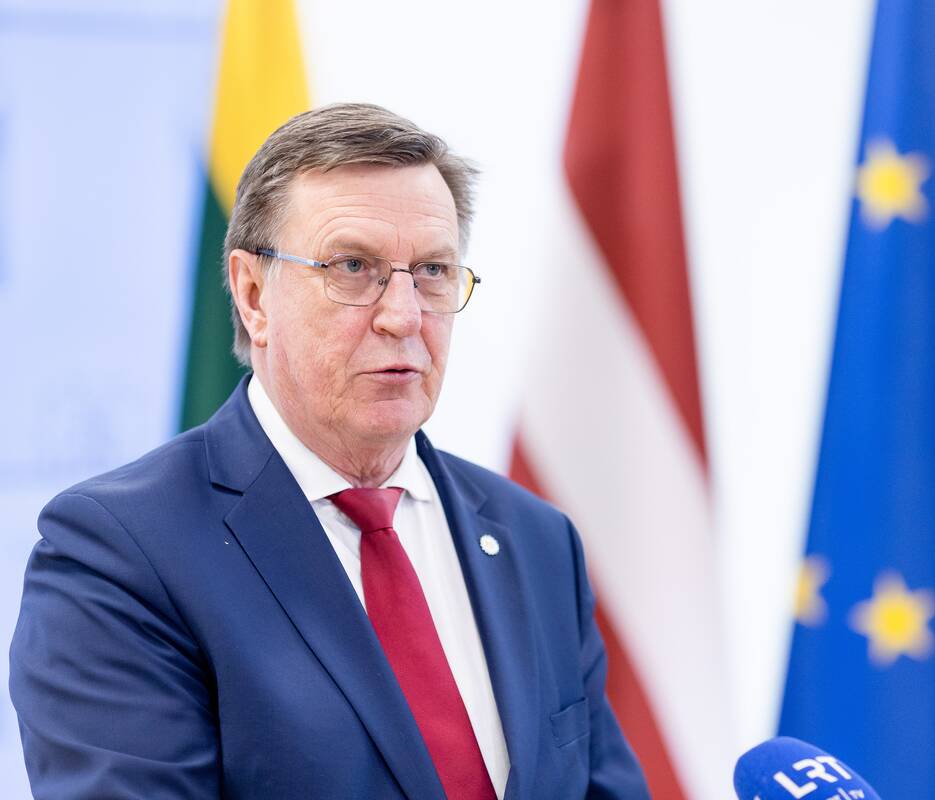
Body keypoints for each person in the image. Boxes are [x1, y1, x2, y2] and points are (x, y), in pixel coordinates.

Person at [8, 102, 650, 800]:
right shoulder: (120, 555)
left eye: (433, 270)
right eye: (353, 267)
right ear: (254, 294)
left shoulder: (536, 540)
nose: (403, 316)